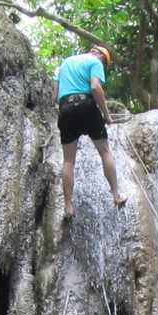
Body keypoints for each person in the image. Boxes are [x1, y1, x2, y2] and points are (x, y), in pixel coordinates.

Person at [53, 44, 127, 221]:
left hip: (66, 108)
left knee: (69, 161)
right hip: (87, 105)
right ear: (102, 57)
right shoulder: (95, 62)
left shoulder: (65, 64)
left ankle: (68, 206)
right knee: (105, 152)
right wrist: (106, 115)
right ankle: (116, 195)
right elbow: (95, 87)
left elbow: (54, 96)